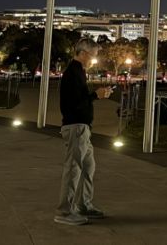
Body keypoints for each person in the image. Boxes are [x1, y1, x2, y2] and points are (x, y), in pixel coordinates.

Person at [55, 41, 112, 226]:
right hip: (76, 127)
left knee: (88, 167)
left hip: (82, 127)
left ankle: (84, 205)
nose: (94, 59)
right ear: (83, 53)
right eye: (93, 55)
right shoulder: (73, 72)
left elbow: (79, 100)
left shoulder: (78, 71)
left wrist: (96, 96)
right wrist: (96, 95)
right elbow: (74, 104)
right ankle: (64, 212)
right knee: (73, 169)